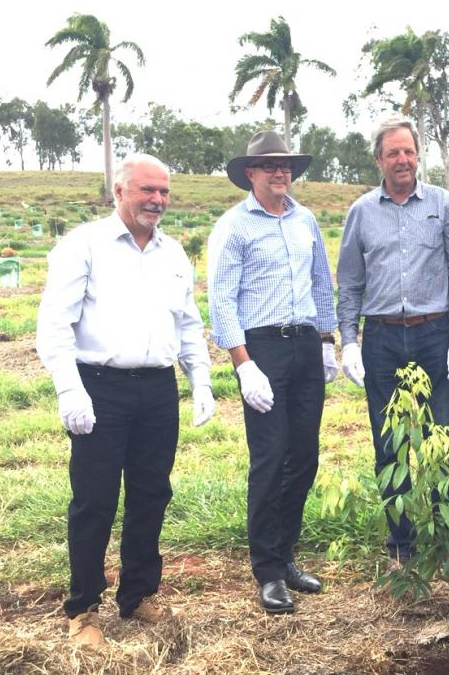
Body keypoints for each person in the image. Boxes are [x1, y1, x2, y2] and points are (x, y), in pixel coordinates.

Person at [36, 153, 214, 645]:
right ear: (120, 192)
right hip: (100, 386)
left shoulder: (173, 253)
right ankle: (84, 609)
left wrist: (200, 378)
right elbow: (54, 323)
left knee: (151, 493)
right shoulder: (85, 245)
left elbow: (189, 325)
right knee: (94, 499)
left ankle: (137, 595)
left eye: (164, 193)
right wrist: (69, 387)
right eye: (147, 191)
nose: (157, 201)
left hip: (158, 389)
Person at [336, 115, 449, 562]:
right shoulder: (361, 212)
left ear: (419, 157)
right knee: (389, 442)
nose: (402, 160)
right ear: (378, 159)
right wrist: (349, 339)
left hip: (434, 334)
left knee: (443, 437)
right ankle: (402, 543)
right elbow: (351, 282)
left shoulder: (444, 205)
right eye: (393, 152)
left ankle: (446, 535)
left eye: (409, 152)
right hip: (381, 339)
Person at [208, 130, 337, 614]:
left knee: (303, 456)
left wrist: (326, 341)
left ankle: (286, 558)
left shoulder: (304, 220)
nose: (280, 172)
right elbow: (221, 298)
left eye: (286, 166)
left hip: (304, 344)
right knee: (270, 458)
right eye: (269, 166)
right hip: (261, 349)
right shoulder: (234, 226)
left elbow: (322, 282)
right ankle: (266, 570)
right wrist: (244, 365)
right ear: (251, 174)